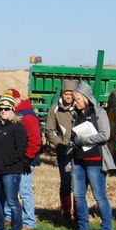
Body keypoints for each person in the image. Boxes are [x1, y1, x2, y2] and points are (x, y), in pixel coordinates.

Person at [70, 81, 115, 230]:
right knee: (79, 195)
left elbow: (105, 135)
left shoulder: (99, 112)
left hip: (95, 160)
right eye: (74, 100)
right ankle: (83, 228)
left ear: (86, 98)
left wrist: (82, 140)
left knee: (99, 196)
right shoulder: (76, 115)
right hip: (78, 161)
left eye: (78, 99)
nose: (75, 102)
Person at [0, 94, 27, 230]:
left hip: (11, 170)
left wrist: (6, 162)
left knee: (12, 201)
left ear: (12, 110)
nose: (3, 111)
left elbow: (20, 150)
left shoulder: (18, 128)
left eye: (7, 108)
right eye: (1, 108)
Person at [5, 88, 41, 230]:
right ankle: (9, 217)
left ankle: (29, 222)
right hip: (16, 159)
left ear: (18, 99)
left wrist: (28, 159)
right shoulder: (14, 114)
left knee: (24, 191)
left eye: (12, 99)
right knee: (10, 189)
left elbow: (35, 140)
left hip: (26, 160)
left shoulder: (27, 116)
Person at [45, 79, 78, 221]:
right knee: (65, 183)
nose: (68, 96)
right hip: (63, 153)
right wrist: (60, 144)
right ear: (62, 94)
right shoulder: (55, 109)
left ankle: (78, 214)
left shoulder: (80, 108)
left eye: (71, 94)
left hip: (78, 152)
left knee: (78, 184)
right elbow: (49, 130)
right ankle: (66, 214)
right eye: (66, 93)